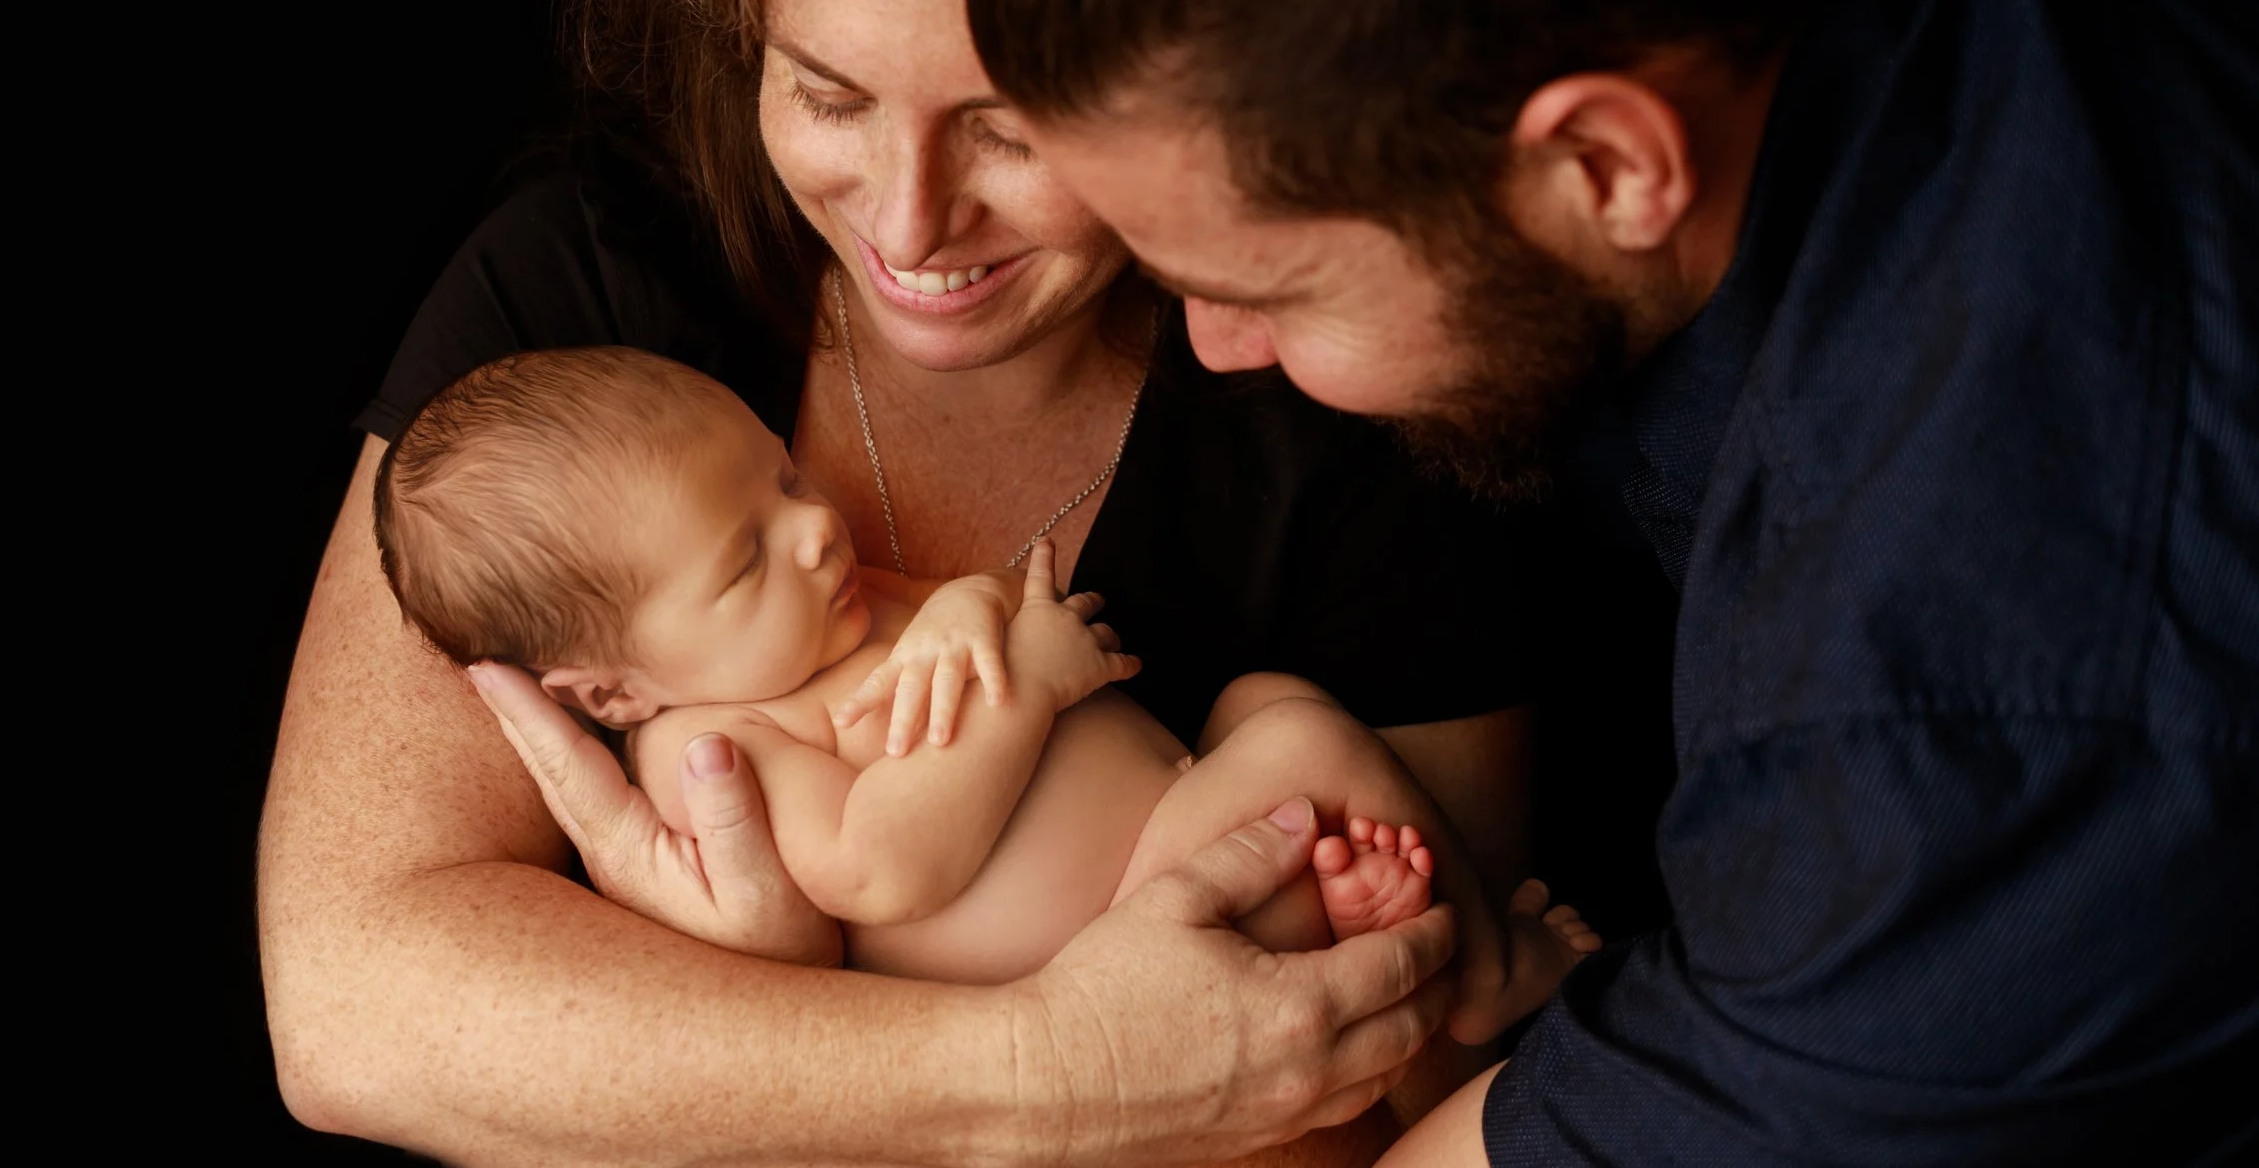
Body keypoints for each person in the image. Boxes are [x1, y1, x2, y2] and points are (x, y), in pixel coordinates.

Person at [260, 0, 1566, 1161]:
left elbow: (1396, 1081)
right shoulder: (587, 311)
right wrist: (1052, 1068)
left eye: (1010, 126)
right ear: (745, 4)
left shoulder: (1350, 372)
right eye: (827, 92)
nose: (908, 215)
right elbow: (360, 1000)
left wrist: (724, 1046)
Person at [963, 0, 2259, 1163]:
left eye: (1269, 288)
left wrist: (1052, 1085)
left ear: (1607, 165)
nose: (1211, 347)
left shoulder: (1945, 721)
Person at [371, 344, 1600, 996]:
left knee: (1259, 703)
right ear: (614, 690)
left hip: (1197, 818)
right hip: (1121, 937)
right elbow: (884, 863)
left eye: (783, 475)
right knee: (1297, 738)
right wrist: (1032, 691)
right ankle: (1485, 972)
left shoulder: (832, 608)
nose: (814, 529)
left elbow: (986, 597)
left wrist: (967, 607)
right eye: (745, 556)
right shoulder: (714, 750)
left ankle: (1382, 940)